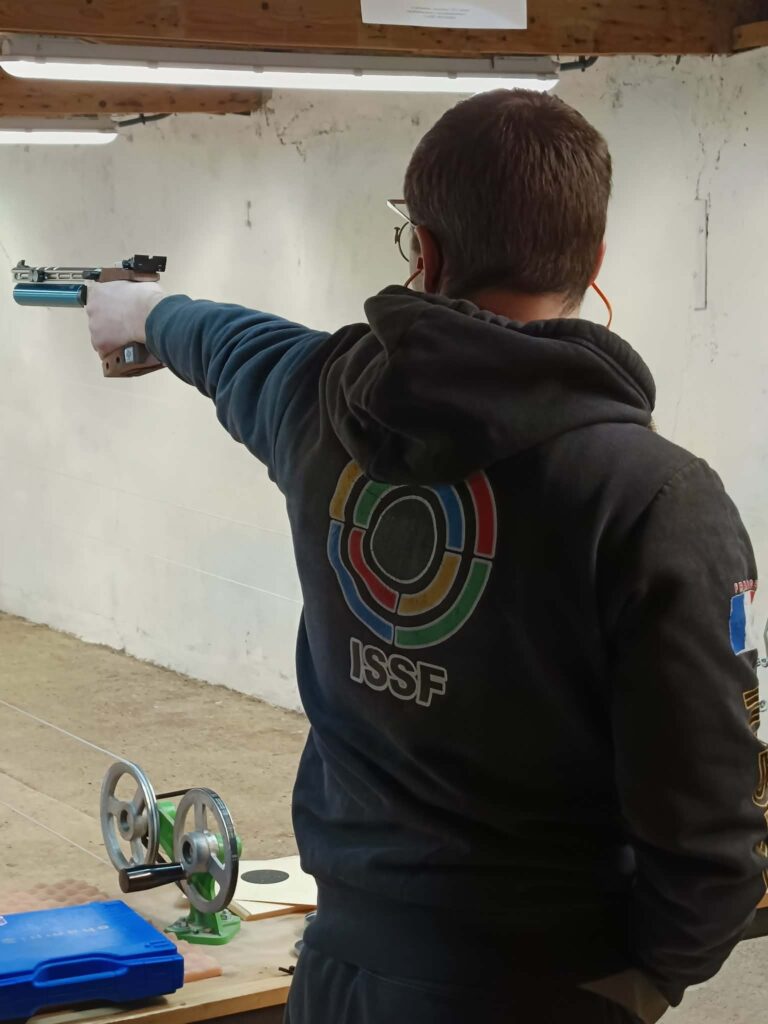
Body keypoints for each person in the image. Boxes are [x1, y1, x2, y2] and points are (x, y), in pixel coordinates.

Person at [86, 90, 768, 1024]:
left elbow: (227, 342)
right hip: (549, 987)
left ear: (429, 253)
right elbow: (713, 834)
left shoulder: (318, 399)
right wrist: (637, 984)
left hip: (343, 975)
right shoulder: (655, 497)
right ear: (595, 260)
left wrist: (146, 311)